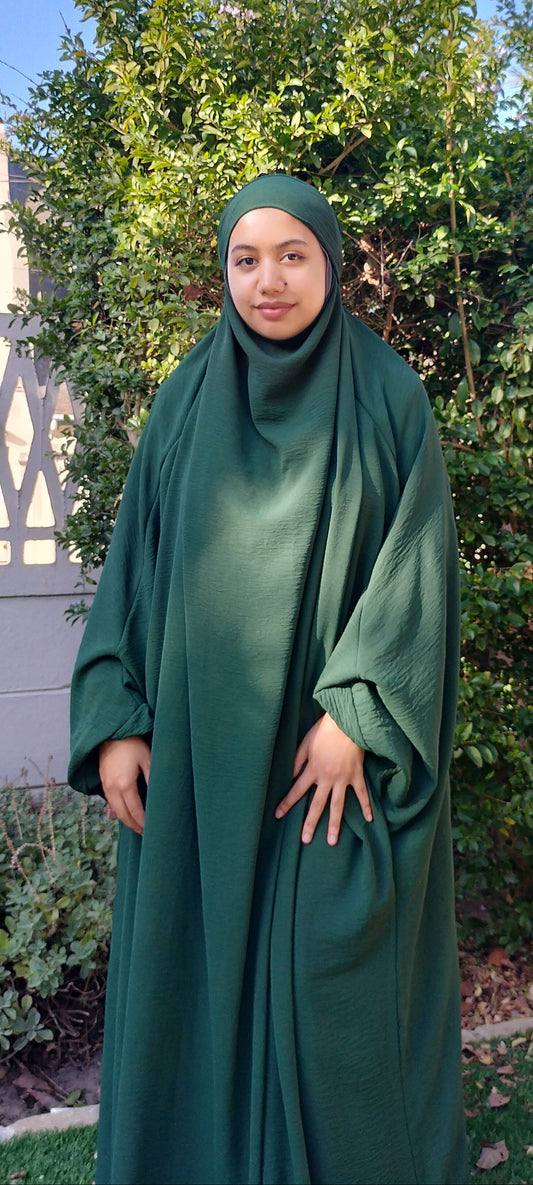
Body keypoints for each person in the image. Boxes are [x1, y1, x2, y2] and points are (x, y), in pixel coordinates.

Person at [69, 172, 467, 1185]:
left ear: (328, 264)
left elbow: (414, 563)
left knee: (328, 988)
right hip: (200, 764)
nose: (268, 281)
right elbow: (136, 565)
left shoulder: (385, 395)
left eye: (291, 254)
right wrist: (117, 715)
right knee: (193, 982)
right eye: (245, 260)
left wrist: (357, 712)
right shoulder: (186, 397)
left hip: (324, 766)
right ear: (223, 272)